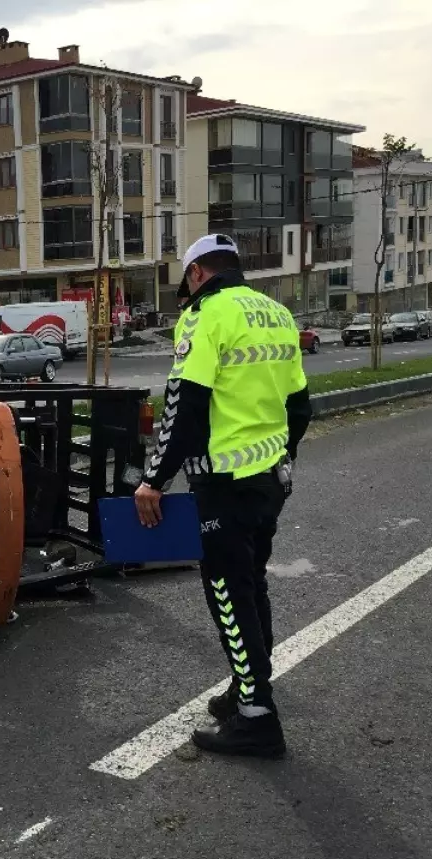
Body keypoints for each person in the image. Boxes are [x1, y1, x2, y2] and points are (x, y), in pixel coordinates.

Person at [133, 233, 312, 759]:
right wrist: (282, 456)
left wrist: (154, 480)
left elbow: (184, 407)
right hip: (269, 481)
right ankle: (246, 690)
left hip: (223, 485)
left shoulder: (205, 314)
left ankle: (257, 718)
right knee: (251, 586)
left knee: (229, 599)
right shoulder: (276, 313)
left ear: (195, 275)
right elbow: (299, 405)